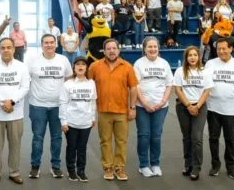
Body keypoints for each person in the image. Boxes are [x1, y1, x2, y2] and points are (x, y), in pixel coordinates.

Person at [88, 39, 139, 181]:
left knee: (121, 141)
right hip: (103, 110)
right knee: (105, 141)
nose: (111, 51)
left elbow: (133, 88)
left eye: (114, 48)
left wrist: (132, 107)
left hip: (122, 111)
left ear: (118, 50)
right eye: (108, 49)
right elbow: (88, 87)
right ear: (103, 51)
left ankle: (119, 168)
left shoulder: (127, 67)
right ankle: (108, 167)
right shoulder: (94, 66)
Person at [0, 38, 30, 186]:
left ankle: (14, 172)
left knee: (15, 144)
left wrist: (12, 102)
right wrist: (2, 102)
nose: (6, 50)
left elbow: (25, 87)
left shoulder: (21, 67)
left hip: (15, 113)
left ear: (14, 49)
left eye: (9, 47)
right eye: (3, 47)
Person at [27, 34, 73, 179]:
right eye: (46, 43)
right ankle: (35, 166)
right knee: (37, 137)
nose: (49, 45)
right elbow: (24, 79)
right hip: (37, 105)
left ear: (56, 44)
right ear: (41, 45)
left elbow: (69, 79)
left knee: (57, 137)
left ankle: (56, 166)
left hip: (58, 106)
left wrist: (68, 101)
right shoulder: (32, 61)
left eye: (52, 42)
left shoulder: (63, 60)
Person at [204, 39, 234, 179]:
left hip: (231, 108)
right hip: (213, 107)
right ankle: (215, 165)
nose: (221, 52)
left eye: (224, 49)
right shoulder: (210, 63)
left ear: (231, 49)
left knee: (230, 138)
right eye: (219, 49)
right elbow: (204, 81)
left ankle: (231, 167)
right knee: (213, 137)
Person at [133, 37, 173, 177]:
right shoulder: (138, 64)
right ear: (144, 49)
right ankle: (143, 165)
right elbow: (136, 86)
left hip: (161, 106)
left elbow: (169, 85)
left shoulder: (164, 63)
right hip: (142, 106)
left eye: (155, 46)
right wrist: (144, 103)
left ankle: (155, 163)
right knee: (144, 135)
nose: (152, 49)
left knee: (156, 136)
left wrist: (162, 101)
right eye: (149, 47)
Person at [173, 46, 212, 180]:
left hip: (200, 106)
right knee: (187, 137)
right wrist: (189, 105)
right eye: (190, 55)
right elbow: (177, 90)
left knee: (197, 137)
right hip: (183, 106)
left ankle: (196, 166)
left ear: (199, 57)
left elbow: (207, 91)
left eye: (195, 55)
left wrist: (197, 106)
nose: (193, 58)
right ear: (186, 57)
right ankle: (187, 164)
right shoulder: (179, 71)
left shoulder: (204, 72)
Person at [59, 56, 97, 182]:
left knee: (82, 148)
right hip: (71, 122)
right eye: (78, 65)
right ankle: (71, 171)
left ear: (86, 68)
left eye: (83, 65)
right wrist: (63, 122)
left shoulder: (91, 83)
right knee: (71, 147)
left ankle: (81, 171)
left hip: (85, 122)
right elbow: (63, 103)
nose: (80, 67)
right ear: (74, 68)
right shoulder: (67, 84)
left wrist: (92, 117)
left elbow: (92, 102)